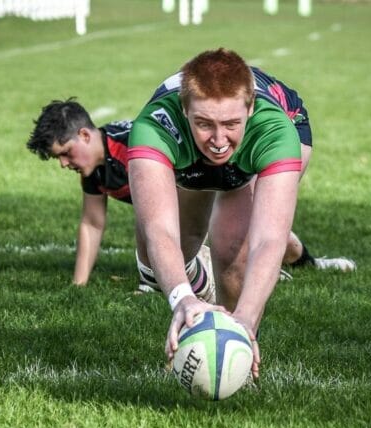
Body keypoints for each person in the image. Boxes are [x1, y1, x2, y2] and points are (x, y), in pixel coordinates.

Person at [127, 48, 353, 379]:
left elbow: (268, 239)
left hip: (266, 139)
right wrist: (183, 300)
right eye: (204, 123)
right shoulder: (154, 126)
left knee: (233, 245)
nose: (219, 140)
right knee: (161, 256)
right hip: (191, 155)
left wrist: (246, 317)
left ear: (249, 109)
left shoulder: (274, 130)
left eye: (231, 123)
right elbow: (160, 230)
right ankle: (202, 296)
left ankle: (236, 355)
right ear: (184, 109)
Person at [26, 97, 354, 298]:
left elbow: (160, 214)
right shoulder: (93, 170)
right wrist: (79, 285)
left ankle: (312, 264)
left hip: (205, 181)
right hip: (189, 202)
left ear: (85, 134)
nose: (64, 163)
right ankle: (194, 281)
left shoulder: (133, 143)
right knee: (223, 237)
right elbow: (92, 223)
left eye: (65, 153)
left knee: (256, 234)